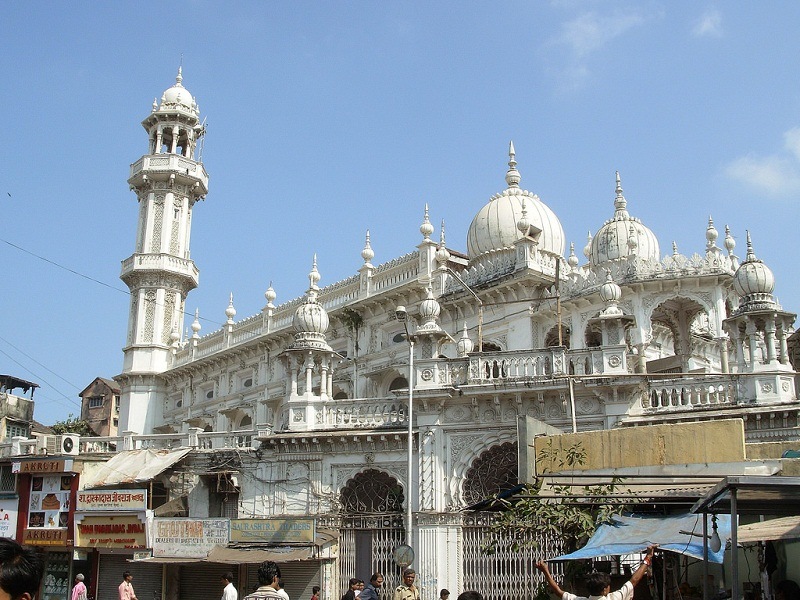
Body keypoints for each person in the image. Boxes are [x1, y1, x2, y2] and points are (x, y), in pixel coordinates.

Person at [537, 545, 657, 600]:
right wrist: (648, 557)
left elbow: (559, 592)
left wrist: (545, 570)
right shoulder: (614, 597)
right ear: (605, 589)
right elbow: (634, 580)